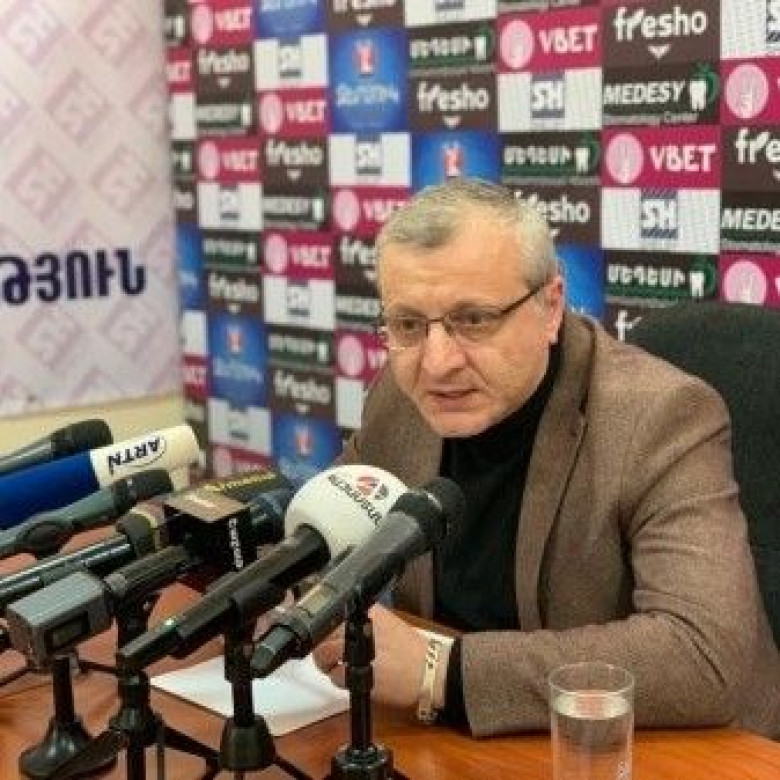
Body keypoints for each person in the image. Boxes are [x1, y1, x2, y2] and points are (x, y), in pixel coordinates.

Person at [312, 177, 780, 738]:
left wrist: (440, 672)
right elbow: (330, 527)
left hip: (663, 745)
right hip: (465, 740)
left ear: (551, 306)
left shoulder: (662, 416)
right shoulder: (401, 396)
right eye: (408, 324)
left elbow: (701, 655)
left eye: (474, 319)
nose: (436, 363)